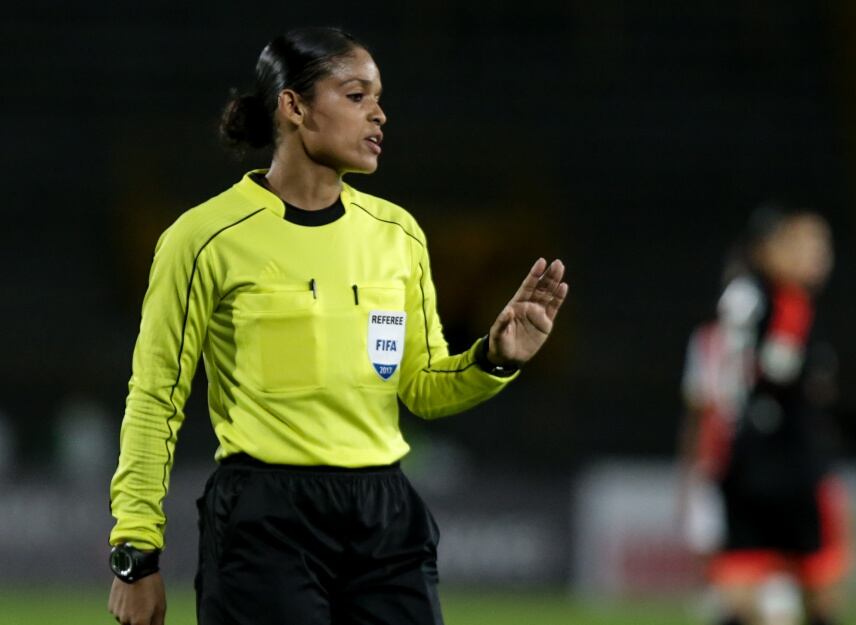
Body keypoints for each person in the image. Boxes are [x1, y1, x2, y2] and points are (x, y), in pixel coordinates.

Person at [107, 27, 569, 625]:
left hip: (385, 521)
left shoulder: (397, 235)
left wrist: (496, 357)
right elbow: (154, 399)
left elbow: (423, 387)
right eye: (355, 96)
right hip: (264, 520)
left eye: (378, 99)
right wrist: (136, 554)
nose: (378, 115)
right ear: (293, 107)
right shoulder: (202, 239)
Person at [677, 206, 848, 625]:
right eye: (810, 245)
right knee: (819, 589)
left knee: (737, 592)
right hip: (791, 463)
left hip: (743, 461)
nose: (821, 256)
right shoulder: (787, 303)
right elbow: (779, 368)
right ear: (775, 250)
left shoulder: (739, 299)